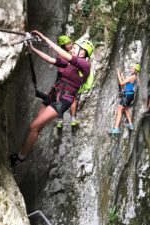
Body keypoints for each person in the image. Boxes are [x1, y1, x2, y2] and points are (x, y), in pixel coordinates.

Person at [10, 30, 94, 166]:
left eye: (76, 48)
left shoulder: (85, 65)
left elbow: (61, 53)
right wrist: (32, 48)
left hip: (63, 101)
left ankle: (20, 158)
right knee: (37, 126)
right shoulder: (69, 63)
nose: (72, 49)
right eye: (73, 48)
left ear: (84, 53)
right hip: (53, 95)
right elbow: (50, 59)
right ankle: (24, 150)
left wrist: (43, 36)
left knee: (34, 126)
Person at [56, 35, 81, 128]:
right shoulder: (67, 55)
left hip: (62, 77)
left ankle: (62, 120)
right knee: (69, 98)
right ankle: (65, 119)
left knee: (60, 97)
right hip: (67, 77)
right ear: (63, 46)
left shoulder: (61, 53)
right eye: (67, 44)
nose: (69, 45)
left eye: (69, 43)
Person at [108, 64, 141, 134]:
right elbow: (127, 83)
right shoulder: (134, 76)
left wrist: (118, 74)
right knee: (125, 108)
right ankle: (130, 124)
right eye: (131, 68)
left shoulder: (132, 77)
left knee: (120, 109)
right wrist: (122, 76)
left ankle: (116, 128)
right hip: (130, 95)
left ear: (135, 70)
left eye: (132, 69)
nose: (130, 69)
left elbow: (121, 83)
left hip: (127, 96)